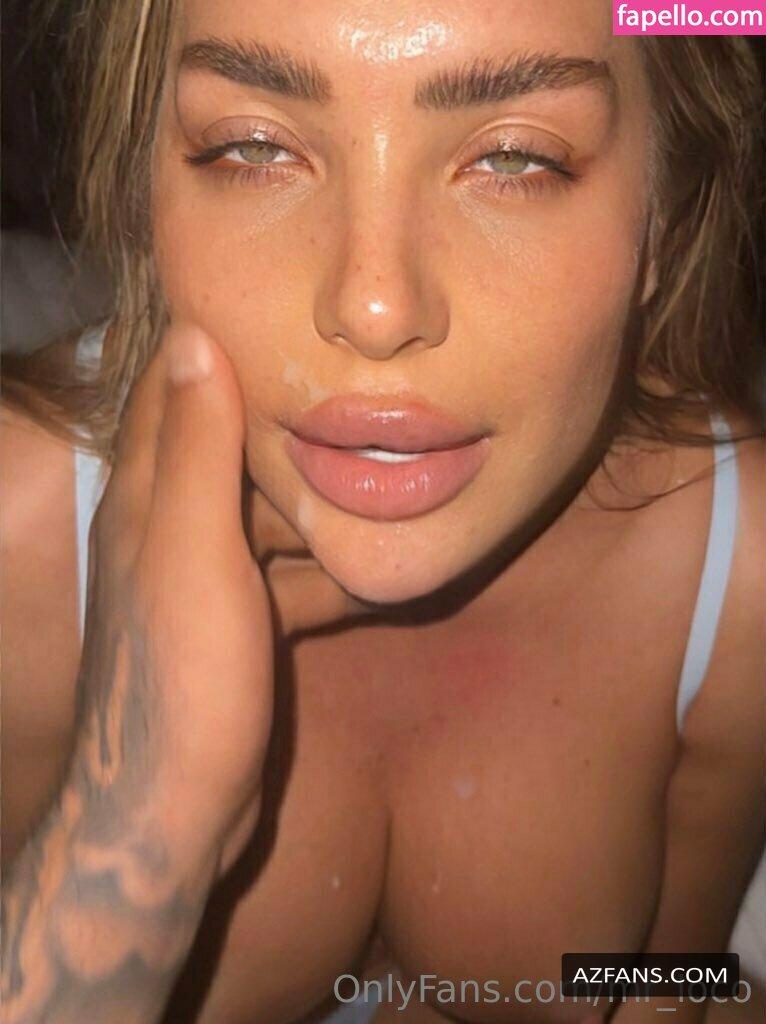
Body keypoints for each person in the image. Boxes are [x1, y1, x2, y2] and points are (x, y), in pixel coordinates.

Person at [1, 1, 764, 1022]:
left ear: (662, 221)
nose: (374, 307)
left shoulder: (734, 571)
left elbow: (673, 979)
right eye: (254, 147)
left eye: (515, 159)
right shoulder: (19, 533)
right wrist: (133, 815)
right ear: (147, 199)